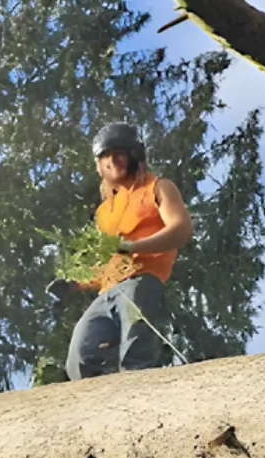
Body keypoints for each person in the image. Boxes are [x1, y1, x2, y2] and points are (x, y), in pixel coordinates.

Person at [48, 123, 193, 380]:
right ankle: (95, 403)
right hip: (107, 291)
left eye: (119, 154)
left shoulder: (157, 187)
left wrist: (133, 247)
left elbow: (181, 229)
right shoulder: (105, 212)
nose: (112, 161)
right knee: (80, 356)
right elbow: (107, 262)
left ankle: (139, 398)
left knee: (135, 352)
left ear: (135, 155)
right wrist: (76, 284)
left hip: (142, 281)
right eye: (105, 155)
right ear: (98, 163)